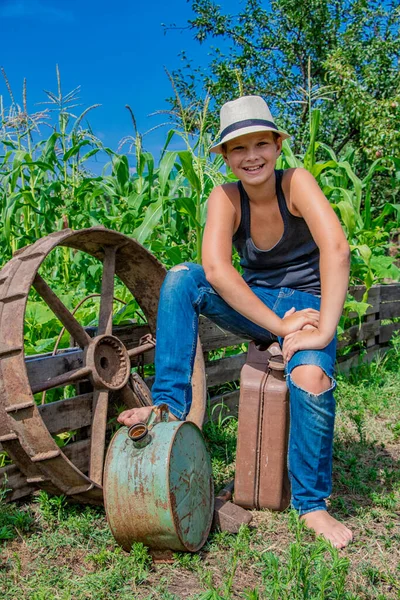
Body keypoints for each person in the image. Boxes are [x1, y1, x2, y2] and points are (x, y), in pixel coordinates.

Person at [118, 95, 352, 548]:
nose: (252, 156)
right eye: (239, 148)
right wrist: (279, 328)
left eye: (260, 144)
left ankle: (312, 504)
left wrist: (322, 328)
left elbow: (336, 250)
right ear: (224, 157)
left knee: (309, 376)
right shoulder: (225, 198)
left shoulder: (296, 184)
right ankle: (170, 406)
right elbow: (218, 271)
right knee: (183, 278)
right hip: (259, 307)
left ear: (277, 147)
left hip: (309, 304)